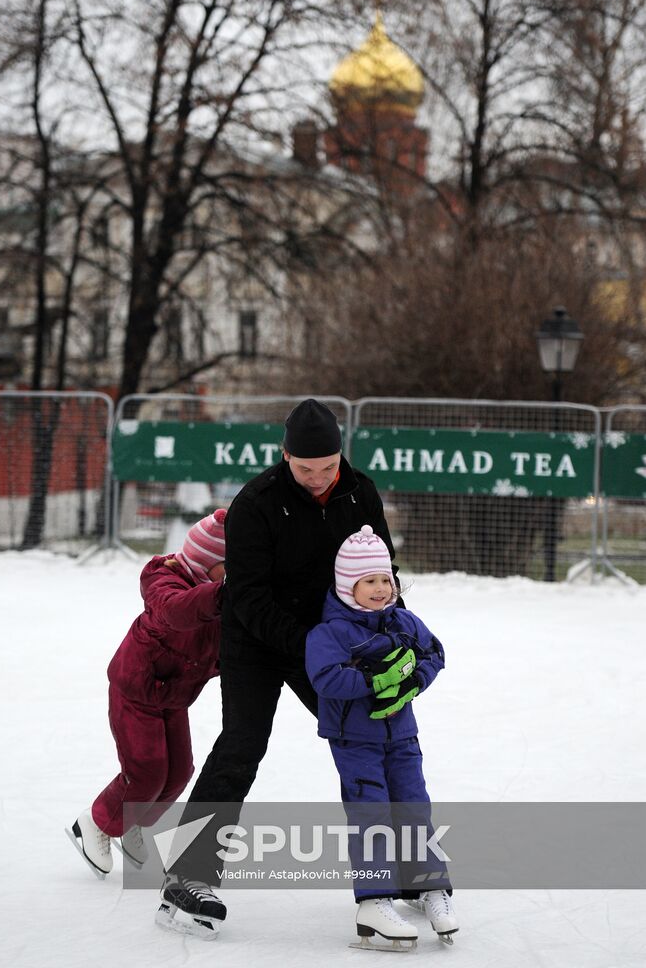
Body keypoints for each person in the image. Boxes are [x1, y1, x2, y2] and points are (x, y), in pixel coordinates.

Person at [158, 398, 400, 937]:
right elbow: (245, 595)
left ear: (342, 455)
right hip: (259, 640)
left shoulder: (361, 491)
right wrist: (309, 644)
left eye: (328, 467)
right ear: (285, 455)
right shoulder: (257, 503)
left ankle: (396, 866)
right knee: (241, 743)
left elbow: (380, 564)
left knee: (373, 734)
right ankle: (187, 876)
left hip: (331, 638)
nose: (317, 479)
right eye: (305, 468)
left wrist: (391, 624)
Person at [305, 524, 459, 950]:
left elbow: (434, 652)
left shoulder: (404, 621)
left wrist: (413, 682)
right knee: (371, 815)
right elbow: (325, 678)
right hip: (356, 741)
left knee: (414, 808)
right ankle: (374, 900)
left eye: (385, 580)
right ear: (347, 585)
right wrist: (375, 678)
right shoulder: (330, 633)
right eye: (369, 581)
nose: (379, 589)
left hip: (403, 736)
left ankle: (430, 887)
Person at [69, 510, 227, 877]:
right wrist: (224, 595)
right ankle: (95, 823)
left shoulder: (221, 597)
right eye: (229, 565)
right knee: (146, 773)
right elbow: (178, 613)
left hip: (175, 695)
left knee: (179, 773)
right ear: (206, 563)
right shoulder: (164, 579)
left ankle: (133, 823)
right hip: (137, 688)